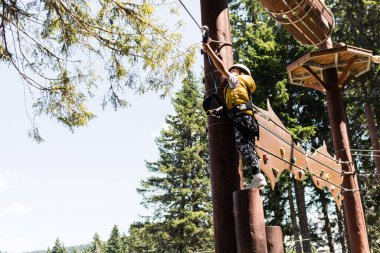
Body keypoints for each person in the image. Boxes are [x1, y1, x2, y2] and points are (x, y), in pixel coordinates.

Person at [202, 42, 267, 189]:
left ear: (239, 72)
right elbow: (233, 105)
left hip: (241, 119)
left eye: (233, 70)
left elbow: (222, 69)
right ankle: (257, 175)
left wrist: (209, 51)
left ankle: (257, 175)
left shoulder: (236, 80)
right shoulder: (242, 88)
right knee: (247, 146)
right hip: (245, 118)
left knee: (242, 146)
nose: (229, 73)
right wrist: (217, 111)